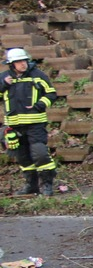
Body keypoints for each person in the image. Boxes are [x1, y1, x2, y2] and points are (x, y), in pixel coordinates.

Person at [0, 47, 59, 196]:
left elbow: (51, 94)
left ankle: (47, 185)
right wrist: (4, 85)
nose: (23, 64)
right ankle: (31, 186)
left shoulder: (38, 75)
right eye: (19, 62)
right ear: (11, 64)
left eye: (24, 61)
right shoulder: (4, 77)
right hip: (14, 126)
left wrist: (39, 105)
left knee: (40, 153)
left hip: (35, 123)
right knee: (23, 157)